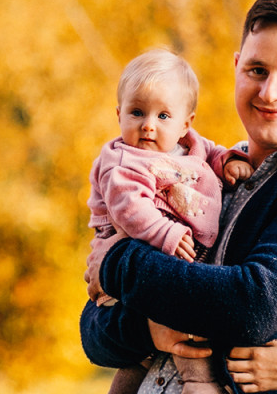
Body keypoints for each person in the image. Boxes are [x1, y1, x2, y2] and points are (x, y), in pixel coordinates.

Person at [80, 0, 277, 394]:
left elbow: (252, 304)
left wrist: (117, 261)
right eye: (257, 70)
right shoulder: (209, 170)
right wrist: (146, 327)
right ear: (235, 67)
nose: (270, 92)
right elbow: (93, 333)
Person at [87, 48, 253, 394]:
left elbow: (212, 153)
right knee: (177, 331)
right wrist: (165, 232)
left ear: (186, 124)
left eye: (163, 116)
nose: (148, 124)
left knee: (145, 354)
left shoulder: (191, 146)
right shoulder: (124, 160)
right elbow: (129, 208)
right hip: (138, 247)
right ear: (119, 115)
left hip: (172, 256)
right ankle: (199, 383)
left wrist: (228, 162)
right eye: (136, 112)